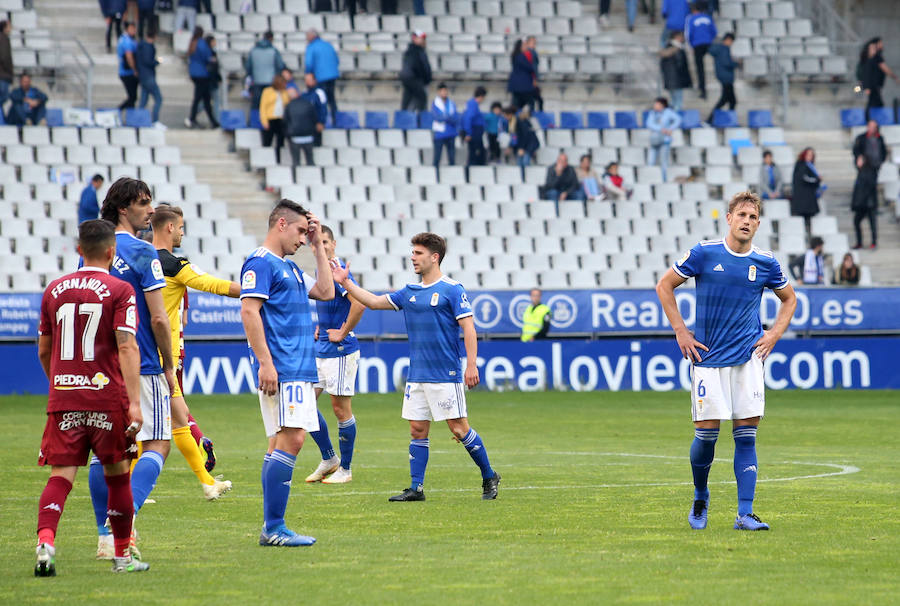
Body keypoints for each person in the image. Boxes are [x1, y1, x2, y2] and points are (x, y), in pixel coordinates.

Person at [656, 191, 797, 532]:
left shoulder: (765, 262)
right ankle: (701, 495)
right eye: (742, 215)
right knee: (706, 436)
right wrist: (681, 331)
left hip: (748, 360)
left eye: (753, 217)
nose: (747, 221)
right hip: (708, 358)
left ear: (758, 224)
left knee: (746, 437)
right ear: (729, 219)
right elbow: (665, 285)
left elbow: (789, 299)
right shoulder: (705, 253)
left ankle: (745, 513)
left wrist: (774, 334)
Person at [329, 232, 501, 502]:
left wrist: (471, 365)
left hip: (446, 373)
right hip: (417, 374)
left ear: (434, 257)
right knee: (417, 430)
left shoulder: (452, 289)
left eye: (418, 253)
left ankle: (489, 475)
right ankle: (416, 488)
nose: (413, 257)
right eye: (413, 253)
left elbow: (468, 327)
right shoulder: (408, 292)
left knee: (459, 429)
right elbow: (373, 302)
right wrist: (346, 283)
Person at [34, 219, 149, 576]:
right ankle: (121, 557)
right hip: (106, 399)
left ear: (79, 250)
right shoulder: (120, 289)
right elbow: (127, 345)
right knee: (117, 476)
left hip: (64, 399)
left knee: (60, 476)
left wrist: (62, 384)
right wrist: (134, 402)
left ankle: (46, 542)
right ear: (112, 252)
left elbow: (43, 349)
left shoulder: (53, 290)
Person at [88, 177, 175, 561]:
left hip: (100, 363)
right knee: (158, 442)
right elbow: (158, 318)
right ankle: (121, 521)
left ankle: (104, 537)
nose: (150, 209)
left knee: (104, 453)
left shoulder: (95, 250)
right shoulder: (144, 252)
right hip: (140, 361)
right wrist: (169, 363)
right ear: (124, 208)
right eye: (143, 203)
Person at [239, 199, 335, 546]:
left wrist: (317, 245)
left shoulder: (291, 268)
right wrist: (265, 363)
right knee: (292, 439)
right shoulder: (260, 262)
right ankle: (274, 527)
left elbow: (326, 291)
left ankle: (272, 526)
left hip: (298, 368)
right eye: (298, 231)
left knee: (282, 441)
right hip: (283, 367)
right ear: (281, 224)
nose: (301, 238)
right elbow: (249, 312)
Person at [151, 206, 234, 499]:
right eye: (181, 227)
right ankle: (128, 492)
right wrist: (252, 290)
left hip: (142, 351)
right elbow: (211, 284)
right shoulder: (173, 264)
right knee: (150, 428)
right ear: (170, 227)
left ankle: (207, 483)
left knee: (179, 421)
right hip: (160, 357)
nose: (183, 232)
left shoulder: (138, 259)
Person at [304, 225, 366, 485]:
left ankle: (346, 469)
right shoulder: (320, 271)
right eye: (318, 243)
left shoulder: (337, 272)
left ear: (334, 244)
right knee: (304, 405)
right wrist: (323, 324)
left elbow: (359, 303)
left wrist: (342, 331)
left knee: (340, 409)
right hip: (322, 348)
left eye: (327, 242)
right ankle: (329, 458)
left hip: (341, 351)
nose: (323, 246)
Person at [185, 27, 218, 128]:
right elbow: (206, 57)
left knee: (205, 98)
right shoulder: (201, 43)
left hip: (194, 73)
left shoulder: (192, 43)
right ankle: (192, 118)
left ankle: (213, 121)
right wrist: (213, 60)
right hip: (202, 74)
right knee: (200, 98)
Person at [304, 29, 339, 124]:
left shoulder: (311, 47)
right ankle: (335, 120)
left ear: (311, 37)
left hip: (320, 77)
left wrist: (308, 74)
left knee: (320, 99)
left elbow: (309, 63)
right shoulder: (328, 45)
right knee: (331, 99)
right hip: (332, 75)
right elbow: (336, 60)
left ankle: (321, 120)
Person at [246, 31, 285, 112]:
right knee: (270, 103)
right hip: (271, 81)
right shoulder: (273, 50)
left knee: (256, 104)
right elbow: (280, 65)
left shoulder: (253, 50)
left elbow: (248, 66)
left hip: (257, 81)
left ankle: (254, 122)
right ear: (271, 38)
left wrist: (252, 75)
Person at [863, 37, 900, 120]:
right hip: (873, 86)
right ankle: (870, 120)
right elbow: (885, 69)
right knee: (874, 103)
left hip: (873, 86)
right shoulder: (874, 58)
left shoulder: (872, 59)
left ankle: (874, 119)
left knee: (876, 102)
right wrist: (896, 77)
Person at [685, 0, 716, 99]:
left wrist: (691, 45)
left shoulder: (691, 19)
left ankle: (703, 90)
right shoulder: (708, 17)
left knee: (700, 68)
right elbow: (714, 31)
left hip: (697, 45)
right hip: (708, 44)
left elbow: (689, 34)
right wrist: (710, 40)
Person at [646, 97, 681, 182]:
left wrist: (670, 129)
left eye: (657, 104)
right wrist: (661, 129)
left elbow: (678, 119)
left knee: (664, 161)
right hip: (654, 140)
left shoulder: (668, 112)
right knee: (650, 161)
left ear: (662, 105)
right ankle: (650, 179)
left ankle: (663, 179)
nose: (655, 106)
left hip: (665, 140)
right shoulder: (652, 113)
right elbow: (649, 124)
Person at [285, 87, 320, 167]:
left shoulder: (288, 106)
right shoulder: (308, 104)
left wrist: (288, 134)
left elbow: (285, 122)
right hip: (309, 135)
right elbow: (314, 118)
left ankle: (296, 177)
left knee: (296, 162)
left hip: (295, 137)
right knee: (310, 161)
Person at [790, 147, 823, 234]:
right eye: (808, 155)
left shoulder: (809, 166)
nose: (810, 157)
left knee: (809, 219)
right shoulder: (802, 165)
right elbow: (805, 179)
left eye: (812, 155)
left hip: (809, 198)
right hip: (804, 199)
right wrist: (817, 180)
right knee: (804, 219)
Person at [707, 33, 738, 123]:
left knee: (731, 100)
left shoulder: (720, 49)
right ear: (727, 40)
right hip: (726, 77)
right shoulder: (724, 49)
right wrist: (736, 63)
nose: (731, 43)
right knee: (727, 100)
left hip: (724, 76)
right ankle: (711, 119)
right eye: (731, 41)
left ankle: (729, 120)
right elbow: (726, 63)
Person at [260, 74, 290, 164]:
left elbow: (287, 105)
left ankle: (278, 161)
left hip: (281, 120)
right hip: (270, 119)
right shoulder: (267, 91)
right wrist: (264, 121)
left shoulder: (285, 92)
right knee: (267, 142)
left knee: (280, 142)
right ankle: (265, 161)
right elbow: (263, 107)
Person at [137, 27, 163, 128]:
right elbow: (148, 61)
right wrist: (157, 61)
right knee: (158, 99)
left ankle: (138, 120)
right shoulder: (148, 46)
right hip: (148, 76)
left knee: (143, 100)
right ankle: (155, 121)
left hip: (143, 76)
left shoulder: (141, 45)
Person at [851, 154, 878, 250]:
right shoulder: (860, 172)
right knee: (856, 221)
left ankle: (874, 242)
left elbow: (869, 188)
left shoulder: (869, 172)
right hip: (862, 204)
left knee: (872, 223)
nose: (857, 162)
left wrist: (862, 200)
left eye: (859, 160)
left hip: (868, 203)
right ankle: (859, 242)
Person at [399, 30, 431, 112]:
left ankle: (405, 117)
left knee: (407, 100)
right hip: (414, 79)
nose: (423, 40)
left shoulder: (414, 51)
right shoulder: (415, 52)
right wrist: (425, 79)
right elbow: (419, 67)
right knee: (422, 98)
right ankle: (419, 119)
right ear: (415, 39)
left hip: (411, 79)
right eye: (421, 38)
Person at [505, 105, 540, 179]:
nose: (505, 117)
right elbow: (514, 137)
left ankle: (528, 179)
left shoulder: (518, 121)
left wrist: (522, 148)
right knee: (519, 163)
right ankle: (521, 179)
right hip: (522, 145)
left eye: (505, 115)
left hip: (529, 144)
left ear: (510, 114)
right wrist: (510, 146)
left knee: (525, 162)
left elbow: (525, 135)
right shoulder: (512, 122)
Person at [660, 31, 692, 111]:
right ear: (677, 37)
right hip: (677, 78)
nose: (683, 39)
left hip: (672, 78)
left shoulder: (669, 47)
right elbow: (680, 64)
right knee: (677, 101)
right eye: (681, 37)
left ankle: (673, 117)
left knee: (674, 100)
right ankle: (676, 119)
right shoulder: (676, 48)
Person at [431, 83, 458, 172]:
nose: (444, 93)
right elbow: (437, 117)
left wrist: (445, 117)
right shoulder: (435, 103)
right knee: (437, 157)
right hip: (440, 133)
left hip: (451, 133)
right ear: (439, 92)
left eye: (445, 91)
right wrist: (448, 117)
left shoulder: (451, 103)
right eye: (442, 91)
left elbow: (455, 117)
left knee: (452, 157)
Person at [461, 86, 487, 172]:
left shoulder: (472, 104)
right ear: (481, 96)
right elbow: (468, 119)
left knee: (478, 153)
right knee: (475, 153)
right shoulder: (473, 104)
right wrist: (468, 133)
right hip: (474, 132)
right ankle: (471, 173)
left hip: (476, 132)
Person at [507, 39, 537, 113]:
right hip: (523, 86)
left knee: (516, 104)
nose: (526, 47)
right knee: (530, 103)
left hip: (517, 85)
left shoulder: (515, 55)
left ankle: (515, 120)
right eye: (524, 45)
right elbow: (530, 68)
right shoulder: (521, 56)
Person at [301, 72, 328, 147]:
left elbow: (323, 108)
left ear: (314, 80)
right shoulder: (304, 93)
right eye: (306, 80)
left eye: (309, 80)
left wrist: (321, 122)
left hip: (316, 124)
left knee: (316, 146)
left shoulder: (319, 92)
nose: (307, 82)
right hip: (306, 125)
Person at [117, 21, 139, 112]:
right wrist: (134, 69)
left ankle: (131, 115)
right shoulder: (127, 41)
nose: (134, 31)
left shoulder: (125, 39)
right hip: (127, 72)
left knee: (132, 97)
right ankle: (118, 110)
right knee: (132, 97)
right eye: (131, 29)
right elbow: (129, 56)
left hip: (125, 71)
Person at [207, 35, 222, 124]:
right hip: (210, 81)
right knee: (213, 100)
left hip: (210, 80)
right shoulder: (209, 54)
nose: (215, 43)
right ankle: (217, 120)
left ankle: (217, 120)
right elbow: (213, 68)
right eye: (214, 41)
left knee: (211, 100)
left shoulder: (212, 53)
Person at [0, 20, 12, 112]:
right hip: (3, 75)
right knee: (4, 96)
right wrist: (9, 71)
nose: (10, 28)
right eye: (9, 26)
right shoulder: (3, 38)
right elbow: (5, 57)